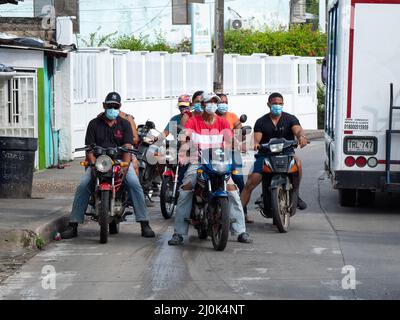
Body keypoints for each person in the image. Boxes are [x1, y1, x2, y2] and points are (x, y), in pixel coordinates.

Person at [61, 92, 156, 239]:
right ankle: (73, 225)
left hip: (120, 161)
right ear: (104, 105)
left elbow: (128, 148)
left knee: (134, 184)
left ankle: (144, 223)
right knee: (83, 185)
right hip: (99, 162)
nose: (112, 108)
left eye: (115, 106)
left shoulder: (124, 124)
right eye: (110, 105)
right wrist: (92, 165)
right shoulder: (94, 124)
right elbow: (89, 150)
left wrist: (124, 168)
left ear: (119, 107)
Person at [168, 92, 253, 246]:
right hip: (198, 161)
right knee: (186, 188)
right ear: (203, 105)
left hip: (219, 161)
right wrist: (183, 141)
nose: (212, 104)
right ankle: (178, 233)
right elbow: (185, 135)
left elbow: (229, 139)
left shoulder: (222, 122)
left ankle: (241, 231)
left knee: (232, 190)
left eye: (215, 102)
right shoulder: (193, 121)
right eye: (209, 102)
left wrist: (237, 145)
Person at [240, 93, 308, 221]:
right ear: (268, 104)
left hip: (286, 153)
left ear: (283, 104)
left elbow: (298, 130)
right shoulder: (261, 121)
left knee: (298, 163)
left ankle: (295, 193)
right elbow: (256, 139)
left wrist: (301, 137)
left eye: (280, 103)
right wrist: (254, 144)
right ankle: (237, 215)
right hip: (265, 156)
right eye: (274, 103)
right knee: (250, 182)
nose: (277, 106)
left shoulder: (290, 119)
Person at [216, 94, 251, 223]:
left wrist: (241, 142)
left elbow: (240, 134)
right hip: (213, 153)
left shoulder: (233, 117)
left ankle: (243, 211)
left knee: (238, 178)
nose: (223, 104)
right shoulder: (211, 118)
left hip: (232, 152)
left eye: (226, 102)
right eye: (221, 102)